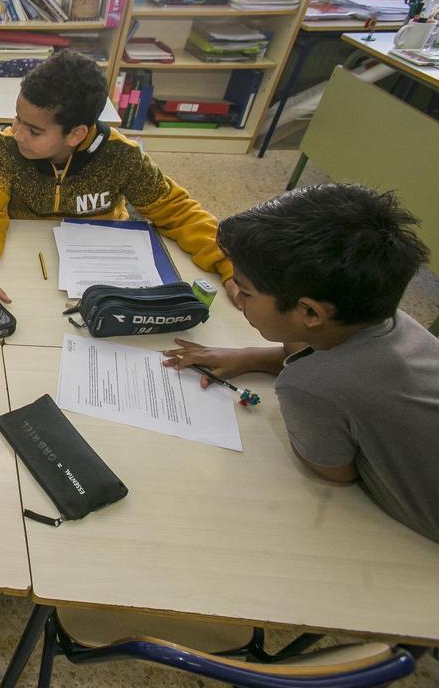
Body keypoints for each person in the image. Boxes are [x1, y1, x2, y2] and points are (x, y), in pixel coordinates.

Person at [162, 184, 439, 543]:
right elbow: (327, 355)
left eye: (246, 291)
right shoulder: (388, 318)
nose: (239, 300)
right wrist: (252, 357)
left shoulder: (310, 386)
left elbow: (336, 473)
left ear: (309, 312)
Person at [0, 50, 237, 315]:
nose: (17, 133)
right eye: (17, 119)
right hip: (28, 260)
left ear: (76, 134)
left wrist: (230, 266)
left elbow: (178, 211)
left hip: (103, 268)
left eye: (34, 130)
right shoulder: (7, 148)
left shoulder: (121, 155)